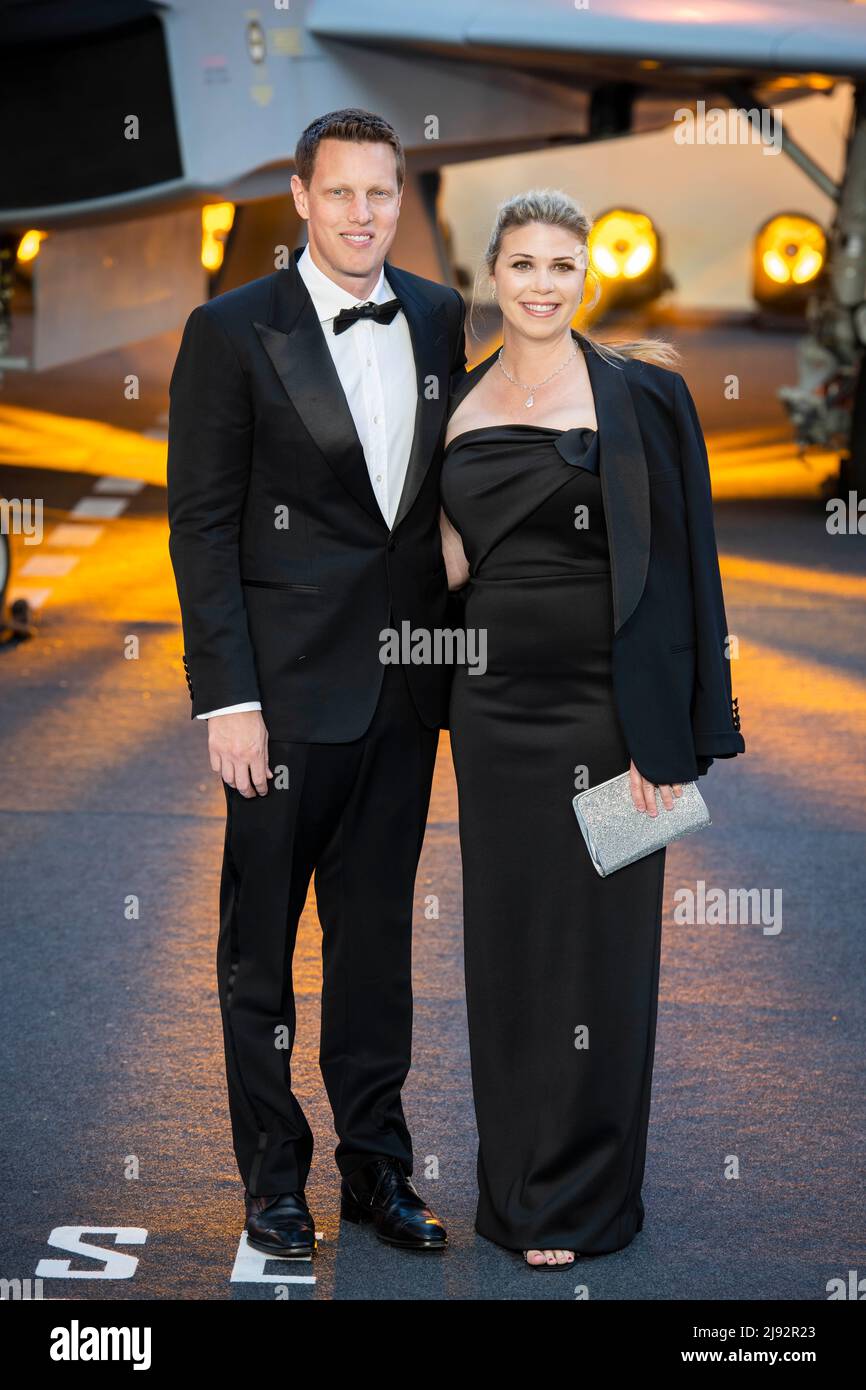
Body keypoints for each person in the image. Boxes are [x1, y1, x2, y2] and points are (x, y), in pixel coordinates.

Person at [167, 109, 466, 1259]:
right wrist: (225, 698)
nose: (359, 215)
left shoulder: (437, 315)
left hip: (402, 696)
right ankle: (272, 1179)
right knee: (259, 953)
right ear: (298, 196)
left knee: (375, 948)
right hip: (280, 703)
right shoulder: (230, 329)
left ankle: (378, 1170)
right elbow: (199, 527)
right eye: (336, 193)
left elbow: (434, 504)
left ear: (400, 198)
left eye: (379, 195)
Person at [439, 190, 745, 1270]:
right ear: (493, 273)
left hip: (616, 720)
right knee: (511, 950)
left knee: (604, 959)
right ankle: (519, 1189)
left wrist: (679, 741)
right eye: (520, 263)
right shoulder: (456, 406)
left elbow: (688, 568)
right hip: (492, 718)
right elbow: (439, 571)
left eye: (560, 265)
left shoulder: (643, 393)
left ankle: (587, 1197)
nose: (539, 284)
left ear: (585, 279)